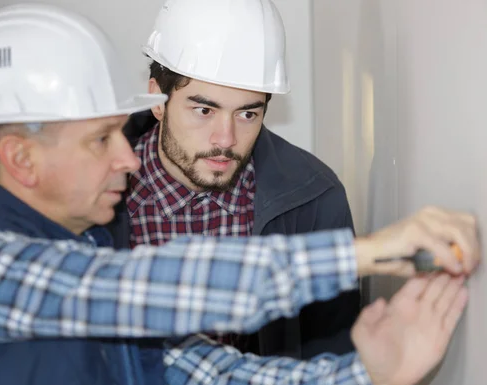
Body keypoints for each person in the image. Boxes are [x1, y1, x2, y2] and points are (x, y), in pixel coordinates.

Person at [0, 4, 479, 385]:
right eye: (101, 139)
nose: (127, 158)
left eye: (248, 112)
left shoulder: (85, 251)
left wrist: (369, 375)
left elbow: (213, 379)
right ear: (21, 158)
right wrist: (365, 255)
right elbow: (134, 288)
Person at [108, 0, 359, 359]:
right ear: (157, 99)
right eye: (204, 110)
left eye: (247, 113)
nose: (225, 140)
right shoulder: (93, 188)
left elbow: (331, 361)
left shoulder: (314, 198)